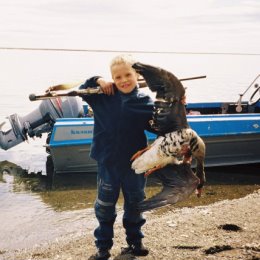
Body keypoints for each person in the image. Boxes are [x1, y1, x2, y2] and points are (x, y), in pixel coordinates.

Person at [79, 54, 155, 260]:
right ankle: (103, 249)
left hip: (135, 165)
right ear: (112, 78)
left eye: (128, 75)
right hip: (108, 163)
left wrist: (175, 105)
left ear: (137, 74)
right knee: (104, 208)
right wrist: (98, 80)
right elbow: (82, 89)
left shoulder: (145, 102)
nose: (123, 80)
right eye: (117, 77)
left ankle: (135, 243)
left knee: (135, 204)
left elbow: (158, 127)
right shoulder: (102, 96)